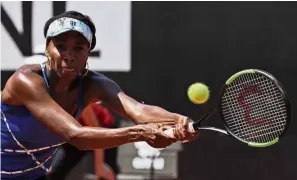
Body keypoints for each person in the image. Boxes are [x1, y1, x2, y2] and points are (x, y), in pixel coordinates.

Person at [0, 11, 198, 180]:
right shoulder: (25, 80)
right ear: (47, 48)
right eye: (60, 45)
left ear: (88, 52)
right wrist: (141, 133)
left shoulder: (94, 85)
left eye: (78, 47)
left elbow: (139, 111)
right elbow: (75, 135)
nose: (69, 54)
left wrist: (179, 120)